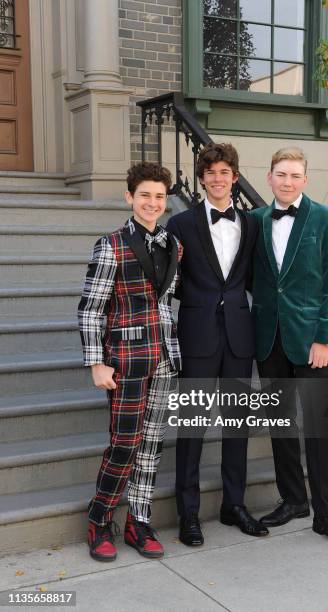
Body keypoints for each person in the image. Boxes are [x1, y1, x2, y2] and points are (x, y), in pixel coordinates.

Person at [251, 147, 328, 548]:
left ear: (305, 180)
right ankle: (293, 500)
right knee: (280, 423)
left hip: (311, 340)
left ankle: (326, 515)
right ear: (269, 177)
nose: (287, 181)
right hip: (269, 338)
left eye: (295, 175)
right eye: (281, 174)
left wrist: (324, 338)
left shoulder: (326, 218)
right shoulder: (256, 220)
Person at [78, 162, 182, 562]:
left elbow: (164, 305)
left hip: (164, 359)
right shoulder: (111, 244)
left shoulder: (175, 245)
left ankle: (139, 520)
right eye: (144, 196)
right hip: (124, 360)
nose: (152, 203)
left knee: (152, 445)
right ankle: (100, 517)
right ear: (129, 197)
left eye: (159, 196)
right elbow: (91, 309)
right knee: (124, 443)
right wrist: (96, 362)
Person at [166, 142, 268, 546]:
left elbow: (258, 278)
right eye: (210, 172)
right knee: (192, 427)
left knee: (237, 426)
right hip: (197, 336)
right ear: (202, 178)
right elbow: (167, 283)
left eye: (225, 172)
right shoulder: (181, 225)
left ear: (235, 178)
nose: (218, 179)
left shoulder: (253, 223)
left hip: (239, 338)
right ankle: (188, 513)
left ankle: (234, 505)